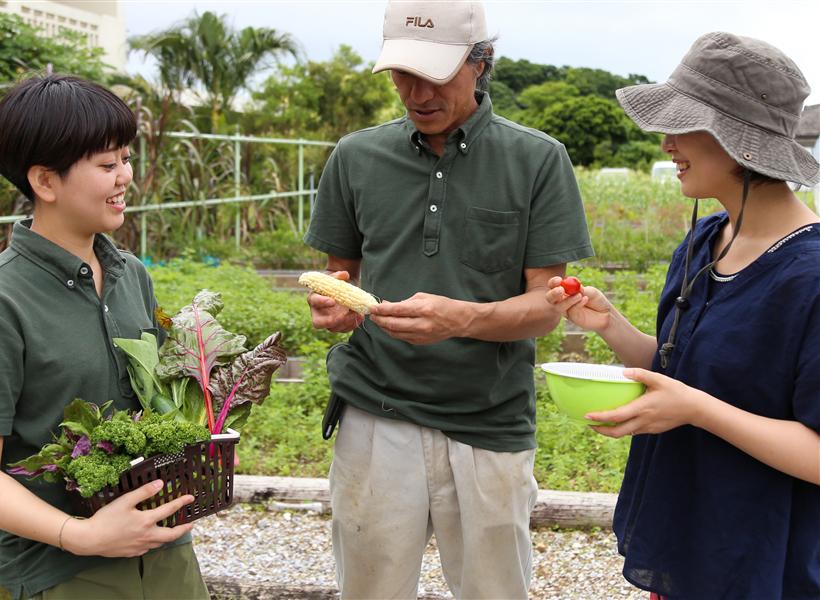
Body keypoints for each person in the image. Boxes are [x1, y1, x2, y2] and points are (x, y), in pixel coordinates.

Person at [304, 1, 594, 597]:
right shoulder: (356, 157)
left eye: (435, 74)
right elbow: (340, 272)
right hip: (375, 409)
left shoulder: (538, 160)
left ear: (480, 62)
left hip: (487, 418)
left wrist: (461, 318)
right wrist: (334, 309)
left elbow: (548, 304)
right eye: (401, 74)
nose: (416, 92)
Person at [546, 32, 820, 599]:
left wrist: (696, 410)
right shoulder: (703, 240)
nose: (666, 142)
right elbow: (681, 374)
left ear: (739, 141)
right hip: (689, 535)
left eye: (682, 123)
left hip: (767, 562)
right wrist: (612, 327)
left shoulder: (811, 277)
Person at [0, 75, 210, 599]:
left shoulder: (131, 275)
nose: (125, 175)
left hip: (168, 555)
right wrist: (81, 535)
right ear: (46, 181)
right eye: (107, 165)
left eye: (126, 158)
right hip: (62, 574)